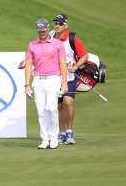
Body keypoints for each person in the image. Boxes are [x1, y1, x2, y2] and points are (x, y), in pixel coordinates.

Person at [24, 18, 68, 149]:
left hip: (54, 79)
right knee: (41, 111)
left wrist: (64, 83)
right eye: (39, 31)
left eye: (43, 30)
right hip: (38, 80)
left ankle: (54, 137)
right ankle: (45, 139)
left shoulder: (57, 44)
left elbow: (63, 64)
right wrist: (27, 84)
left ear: (48, 29)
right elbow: (29, 64)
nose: (41, 33)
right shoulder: (32, 45)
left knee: (52, 108)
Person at [51, 14, 88, 145]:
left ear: (65, 26)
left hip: (70, 77)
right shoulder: (50, 37)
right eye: (56, 23)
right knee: (58, 106)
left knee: (67, 102)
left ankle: (69, 132)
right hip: (54, 77)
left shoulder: (72, 38)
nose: (57, 25)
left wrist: (76, 66)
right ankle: (61, 134)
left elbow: (84, 56)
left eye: (60, 24)